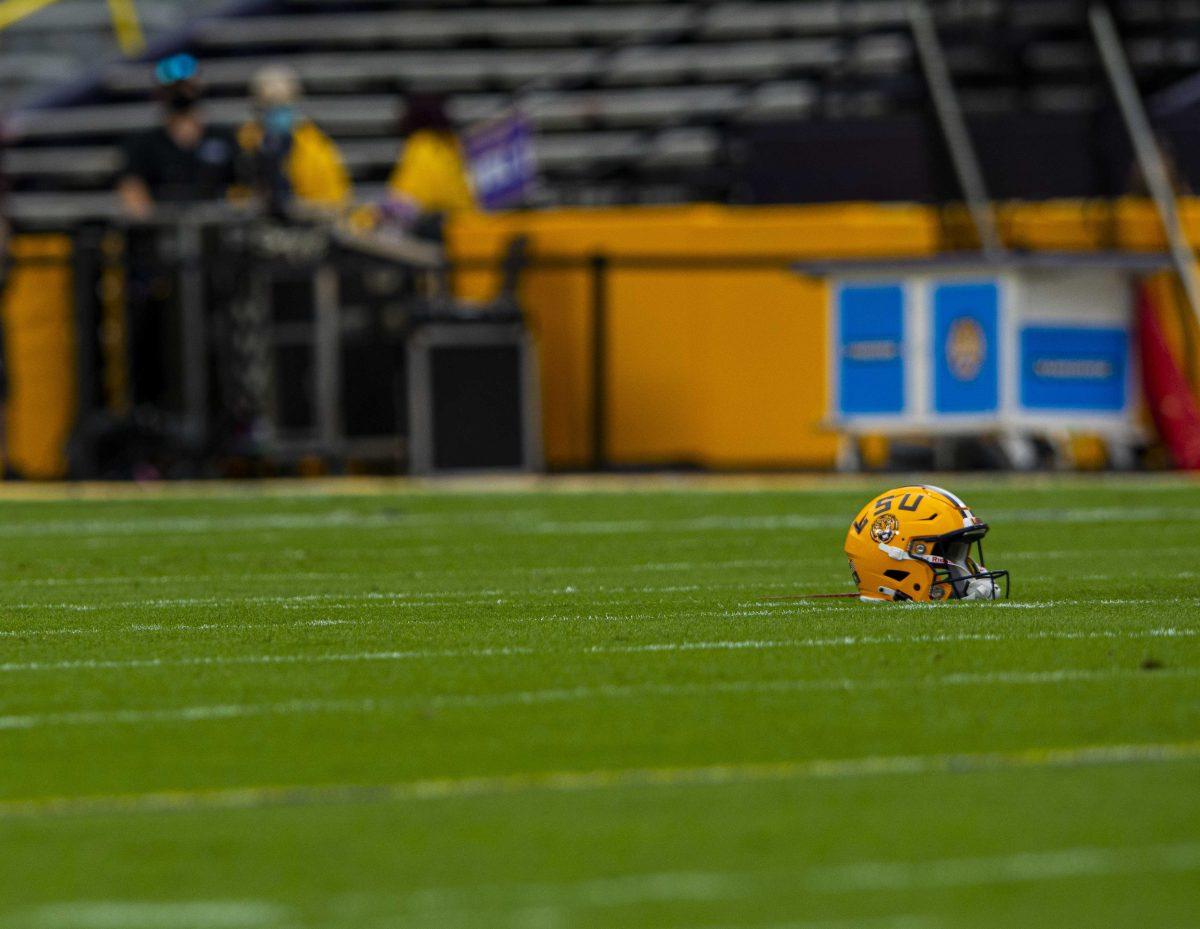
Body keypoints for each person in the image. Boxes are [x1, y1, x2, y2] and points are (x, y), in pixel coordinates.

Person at [117, 54, 238, 218]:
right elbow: (132, 189)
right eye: (174, 88)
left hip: (217, 229)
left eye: (185, 86)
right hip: (164, 231)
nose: (181, 93)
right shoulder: (143, 143)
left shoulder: (223, 137)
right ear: (161, 92)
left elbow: (243, 186)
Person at [236, 65, 351, 212]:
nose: (276, 112)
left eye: (283, 104)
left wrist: (299, 208)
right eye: (269, 104)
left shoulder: (316, 146)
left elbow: (337, 202)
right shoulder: (245, 143)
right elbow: (236, 194)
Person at [382, 94, 476, 241]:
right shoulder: (452, 145)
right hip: (465, 228)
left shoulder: (422, 145)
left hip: (437, 233)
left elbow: (406, 202)